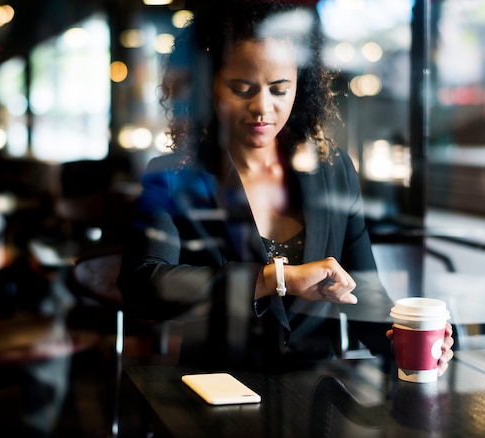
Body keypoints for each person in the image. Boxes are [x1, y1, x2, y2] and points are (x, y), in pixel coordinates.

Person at [117, 0, 454, 373]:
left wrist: (406, 344)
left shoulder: (332, 168)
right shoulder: (172, 176)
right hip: (216, 385)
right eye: (241, 88)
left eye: (279, 89)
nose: (262, 108)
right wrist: (275, 279)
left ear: (301, 86)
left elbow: (362, 292)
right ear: (207, 86)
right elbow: (143, 285)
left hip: (315, 392)